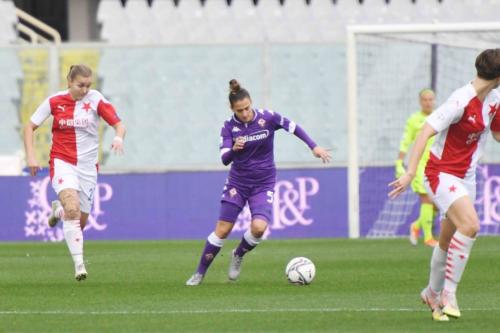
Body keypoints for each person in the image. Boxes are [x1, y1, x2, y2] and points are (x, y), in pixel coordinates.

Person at [389, 49, 500, 321]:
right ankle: (449, 294)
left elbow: (497, 133)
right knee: (471, 225)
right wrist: (409, 172)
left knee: (447, 240)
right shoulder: (460, 100)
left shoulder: (495, 99)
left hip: (467, 176)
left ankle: (431, 292)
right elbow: (425, 132)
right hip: (440, 173)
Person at [185, 79, 331, 286]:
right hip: (238, 183)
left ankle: (238, 253)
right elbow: (224, 159)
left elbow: (293, 127)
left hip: (264, 182)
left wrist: (313, 147)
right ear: (232, 108)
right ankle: (199, 273)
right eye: (239, 110)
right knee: (223, 229)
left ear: (251, 103)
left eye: (246, 108)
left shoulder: (268, 118)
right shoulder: (228, 128)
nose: (244, 113)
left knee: (259, 228)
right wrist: (234, 148)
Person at [24, 64, 126, 281]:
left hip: (88, 167)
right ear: (69, 82)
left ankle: (57, 212)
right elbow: (29, 126)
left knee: (79, 221)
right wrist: (31, 157)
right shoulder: (54, 101)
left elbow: (119, 125)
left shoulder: (96, 99)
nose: (85, 90)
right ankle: (80, 266)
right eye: (81, 85)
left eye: (88, 85)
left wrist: (118, 137)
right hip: (63, 162)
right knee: (73, 208)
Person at [395, 88, 438, 247]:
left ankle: (416, 226)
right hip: (419, 165)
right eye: (425, 99)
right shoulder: (414, 120)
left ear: (434, 100)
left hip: (436, 164)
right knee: (425, 197)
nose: (428, 102)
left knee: (438, 205)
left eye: (430, 99)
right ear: (420, 102)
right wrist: (399, 162)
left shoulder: (439, 116)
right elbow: (405, 141)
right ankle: (428, 238)